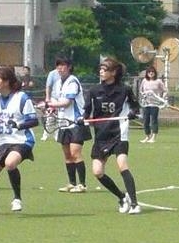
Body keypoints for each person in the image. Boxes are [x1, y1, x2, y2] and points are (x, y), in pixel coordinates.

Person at [0, 66, 39, 215]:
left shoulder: (21, 97)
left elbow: (34, 121)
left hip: (22, 140)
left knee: (10, 163)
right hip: (3, 142)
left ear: (7, 81)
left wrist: (18, 124)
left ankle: (17, 199)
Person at [83, 56, 141, 215]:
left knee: (122, 164)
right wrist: (84, 119)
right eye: (100, 69)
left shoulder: (124, 89)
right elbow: (87, 112)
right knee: (97, 172)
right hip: (101, 135)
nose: (101, 72)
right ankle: (122, 197)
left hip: (119, 133)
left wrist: (132, 113)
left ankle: (135, 204)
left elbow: (136, 107)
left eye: (105, 69)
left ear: (114, 72)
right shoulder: (94, 91)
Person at [44, 56, 91, 193]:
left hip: (77, 122)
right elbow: (57, 100)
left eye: (63, 65)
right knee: (67, 155)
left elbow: (67, 102)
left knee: (75, 153)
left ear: (69, 67)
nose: (60, 68)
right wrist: (51, 107)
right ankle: (71, 183)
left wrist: (49, 104)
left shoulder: (73, 81)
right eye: (58, 65)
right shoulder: (58, 82)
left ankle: (82, 184)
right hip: (63, 122)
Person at [139, 65, 166, 143]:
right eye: (149, 72)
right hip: (146, 104)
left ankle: (153, 137)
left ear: (155, 73)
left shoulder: (158, 81)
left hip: (155, 104)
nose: (151, 73)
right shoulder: (144, 81)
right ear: (147, 73)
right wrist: (143, 95)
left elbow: (165, 90)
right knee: (145, 121)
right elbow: (141, 91)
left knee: (153, 120)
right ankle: (147, 136)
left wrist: (162, 98)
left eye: (152, 72)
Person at [41, 65, 61, 141]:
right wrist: (47, 98)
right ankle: (45, 135)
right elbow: (48, 86)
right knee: (50, 117)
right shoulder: (52, 73)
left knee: (60, 118)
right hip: (54, 98)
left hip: (62, 98)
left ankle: (57, 135)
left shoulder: (67, 74)